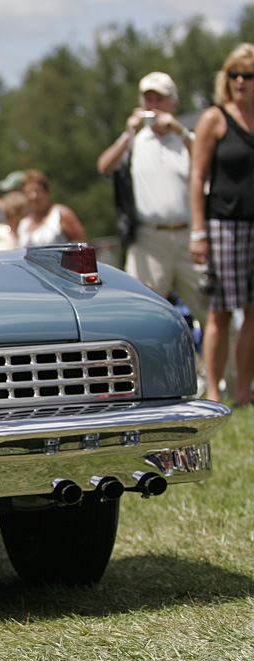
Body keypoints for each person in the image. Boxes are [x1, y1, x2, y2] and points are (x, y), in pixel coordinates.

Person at [97, 71, 203, 325]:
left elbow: (208, 162)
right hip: (148, 239)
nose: (153, 106)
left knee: (213, 314)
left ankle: (226, 367)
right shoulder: (135, 140)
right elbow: (104, 166)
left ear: (173, 104)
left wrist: (178, 129)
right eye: (148, 100)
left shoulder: (187, 138)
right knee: (142, 315)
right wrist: (127, 134)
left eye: (160, 100)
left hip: (191, 238)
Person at [189, 43, 254, 406]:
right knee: (221, 312)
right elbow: (197, 177)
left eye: (248, 75)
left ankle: (244, 390)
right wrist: (199, 232)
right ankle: (215, 391)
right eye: (234, 74)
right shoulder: (215, 118)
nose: (241, 81)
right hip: (223, 226)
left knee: (253, 312)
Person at [16, 169, 87, 247]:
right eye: (28, 192)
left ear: (47, 192)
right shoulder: (23, 224)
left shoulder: (60, 214)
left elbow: (81, 244)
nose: (34, 197)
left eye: (38, 191)